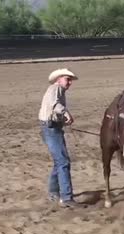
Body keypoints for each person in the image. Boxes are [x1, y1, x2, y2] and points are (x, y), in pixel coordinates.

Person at [38, 68, 81, 208]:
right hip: (50, 128)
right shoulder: (55, 88)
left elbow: (53, 109)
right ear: (59, 79)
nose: (69, 82)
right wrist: (66, 114)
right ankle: (66, 197)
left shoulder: (57, 90)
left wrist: (63, 120)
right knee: (63, 162)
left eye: (70, 80)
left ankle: (54, 192)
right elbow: (55, 105)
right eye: (67, 79)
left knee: (60, 161)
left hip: (52, 127)